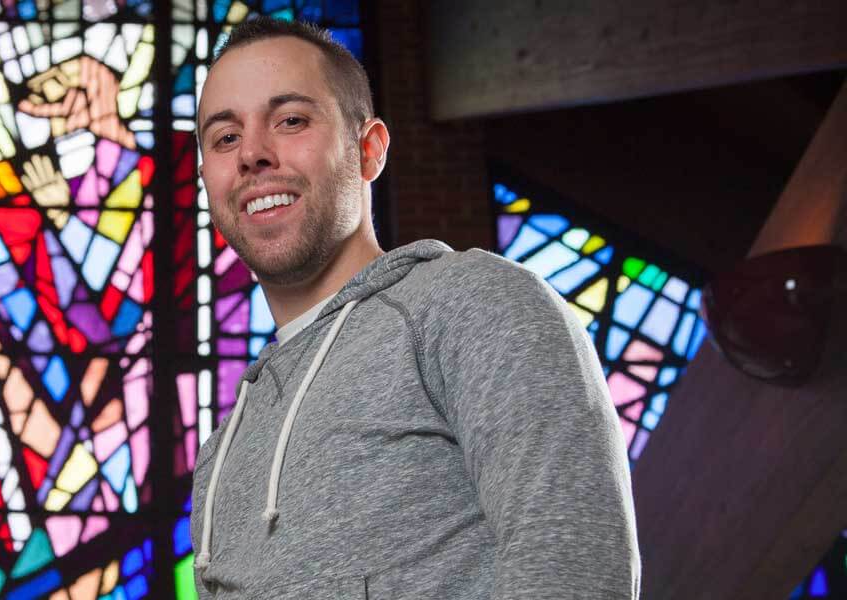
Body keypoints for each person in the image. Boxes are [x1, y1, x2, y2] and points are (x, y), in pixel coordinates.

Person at [188, 17, 639, 598]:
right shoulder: (221, 453)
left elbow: (574, 563)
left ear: (369, 150)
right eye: (225, 138)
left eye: (291, 120)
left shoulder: (469, 304)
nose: (252, 153)